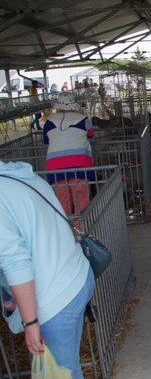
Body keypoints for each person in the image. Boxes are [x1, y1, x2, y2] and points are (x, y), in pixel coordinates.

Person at [0, 161, 95, 379]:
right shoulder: (18, 175)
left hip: (56, 299)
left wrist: (30, 322)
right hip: (76, 275)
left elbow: (16, 262)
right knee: (68, 368)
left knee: (60, 373)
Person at [43, 92, 94, 216]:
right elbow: (91, 136)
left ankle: (65, 225)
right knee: (80, 198)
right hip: (80, 164)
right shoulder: (83, 119)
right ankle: (81, 226)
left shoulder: (49, 122)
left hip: (55, 166)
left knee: (62, 199)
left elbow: (45, 140)